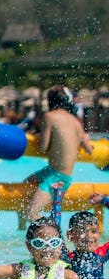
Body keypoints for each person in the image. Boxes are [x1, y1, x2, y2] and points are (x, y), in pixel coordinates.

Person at [19, 85, 94, 228]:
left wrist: (37, 137)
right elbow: (89, 150)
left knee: (31, 213)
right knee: (26, 185)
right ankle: (22, 231)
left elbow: (43, 147)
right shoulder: (75, 122)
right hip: (56, 172)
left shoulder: (49, 117)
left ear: (50, 102)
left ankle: (53, 234)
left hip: (56, 177)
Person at [62, 211, 109, 279]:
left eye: (93, 231)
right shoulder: (67, 258)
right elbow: (54, 231)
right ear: (70, 235)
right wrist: (58, 198)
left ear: (99, 234)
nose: (89, 236)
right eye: (83, 231)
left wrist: (105, 201)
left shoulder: (101, 254)